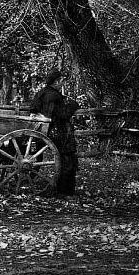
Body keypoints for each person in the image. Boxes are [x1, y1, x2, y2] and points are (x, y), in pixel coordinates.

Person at [30, 67, 80, 195]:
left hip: (40, 131)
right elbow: (63, 115)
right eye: (61, 81)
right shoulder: (55, 96)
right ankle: (64, 190)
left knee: (68, 156)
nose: (63, 83)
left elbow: (33, 110)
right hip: (55, 133)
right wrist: (74, 105)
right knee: (68, 157)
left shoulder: (41, 92)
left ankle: (65, 189)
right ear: (56, 81)